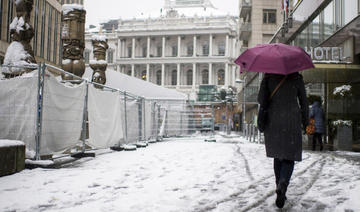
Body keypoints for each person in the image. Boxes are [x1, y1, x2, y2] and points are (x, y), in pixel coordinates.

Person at [257, 72, 309, 209]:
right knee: (289, 156)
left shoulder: (268, 76)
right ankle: (283, 183)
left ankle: (279, 185)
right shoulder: (296, 77)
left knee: (278, 155)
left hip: (274, 120)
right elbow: (304, 101)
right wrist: (306, 122)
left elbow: (261, 99)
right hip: (292, 120)